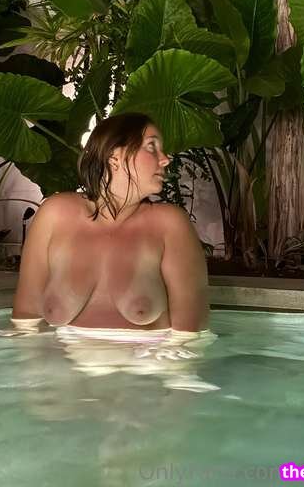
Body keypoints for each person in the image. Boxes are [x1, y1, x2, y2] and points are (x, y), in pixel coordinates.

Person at [11, 112, 210, 336]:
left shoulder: (169, 224)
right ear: (114, 157)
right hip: (65, 354)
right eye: (151, 147)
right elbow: (25, 320)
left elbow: (190, 333)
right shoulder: (54, 215)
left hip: (149, 356)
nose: (165, 159)